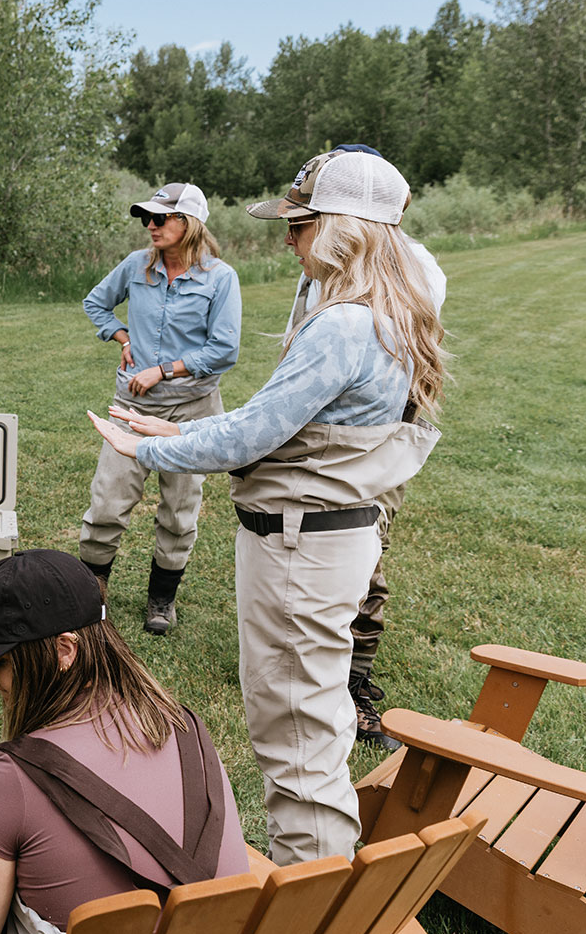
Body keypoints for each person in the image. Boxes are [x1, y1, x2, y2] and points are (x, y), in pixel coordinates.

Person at [91, 150, 446, 865]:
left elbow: (254, 432)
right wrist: (181, 429)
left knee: (296, 741)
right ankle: (317, 876)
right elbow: (283, 422)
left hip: (298, 549)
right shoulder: (394, 307)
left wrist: (150, 449)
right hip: (328, 540)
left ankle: (309, 904)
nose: (288, 240)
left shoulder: (345, 324)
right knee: (311, 726)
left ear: (346, 229)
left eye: (301, 225)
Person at [0, 550, 249, 934]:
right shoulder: (186, 728)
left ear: (65, 650)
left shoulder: (16, 779)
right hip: (198, 933)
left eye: (2, 660)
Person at [275, 145, 449, 752]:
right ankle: (306, 652)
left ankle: (353, 685)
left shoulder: (413, 269)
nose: (295, 238)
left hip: (373, 431)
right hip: (321, 421)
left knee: (362, 542)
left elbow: (373, 366)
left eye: (305, 222)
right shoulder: (320, 270)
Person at [79, 182, 241, 635]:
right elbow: (95, 302)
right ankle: (92, 595)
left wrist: (164, 370)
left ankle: (161, 601)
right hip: (132, 404)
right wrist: (121, 335)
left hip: (193, 408)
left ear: (189, 224)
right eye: (146, 218)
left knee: (179, 508)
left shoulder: (221, 278)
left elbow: (225, 349)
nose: (150, 226)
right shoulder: (136, 266)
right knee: (109, 500)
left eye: (160, 218)